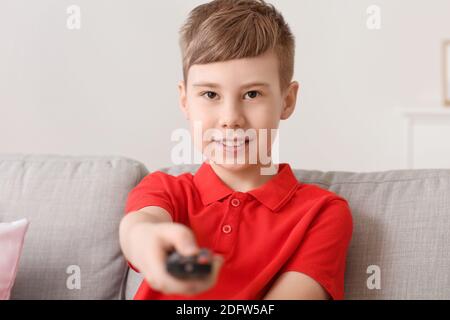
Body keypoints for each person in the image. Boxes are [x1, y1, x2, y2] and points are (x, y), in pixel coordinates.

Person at [119, 0, 353, 300]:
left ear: (287, 101)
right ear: (185, 100)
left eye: (252, 94)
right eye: (210, 94)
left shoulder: (322, 213)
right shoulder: (164, 188)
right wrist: (152, 242)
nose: (230, 118)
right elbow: (139, 228)